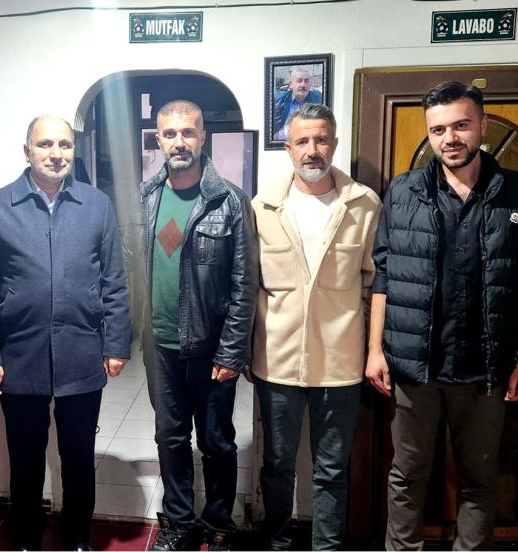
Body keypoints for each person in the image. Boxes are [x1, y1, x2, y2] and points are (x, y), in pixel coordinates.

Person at [365, 81, 518, 550]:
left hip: (485, 367)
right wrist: (374, 350)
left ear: (482, 125)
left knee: (479, 480)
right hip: (415, 364)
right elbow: (384, 272)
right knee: (407, 475)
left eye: (460, 125)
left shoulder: (514, 193)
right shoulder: (403, 190)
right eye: (438, 130)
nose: (449, 138)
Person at [0, 115, 131, 551]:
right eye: (45, 144)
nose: (56, 153)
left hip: (82, 351)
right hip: (19, 354)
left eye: (64, 144)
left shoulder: (97, 205)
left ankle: (77, 535)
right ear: (27, 151)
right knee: (25, 458)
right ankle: (26, 536)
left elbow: (114, 280)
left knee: (78, 457)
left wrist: (117, 342)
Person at [252, 103, 380, 550]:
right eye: (302, 141)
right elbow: (249, 286)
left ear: (335, 144)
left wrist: (368, 346)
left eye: (321, 139)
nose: (312, 150)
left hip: (340, 365)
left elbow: (374, 284)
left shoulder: (363, 205)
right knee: (276, 465)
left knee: (332, 471)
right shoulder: (262, 207)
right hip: (276, 363)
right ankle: (276, 542)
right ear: (288, 148)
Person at [140, 99, 258, 551]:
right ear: (158, 139)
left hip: (212, 348)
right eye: (170, 134)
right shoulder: (144, 197)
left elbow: (245, 283)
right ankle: (178, 523)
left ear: (203, 136)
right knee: (170, 438)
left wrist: (233, 351)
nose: (179, 142)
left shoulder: (230, 200)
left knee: (217, 441)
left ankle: (219, 524)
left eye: (188, 132)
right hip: (160, 347)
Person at [273, 68, 323, 141]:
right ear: (291, 84)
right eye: (299, 81)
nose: (303, 85)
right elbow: (271, 129)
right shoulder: (278, 100)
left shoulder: (319, 100)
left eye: (306, 81)